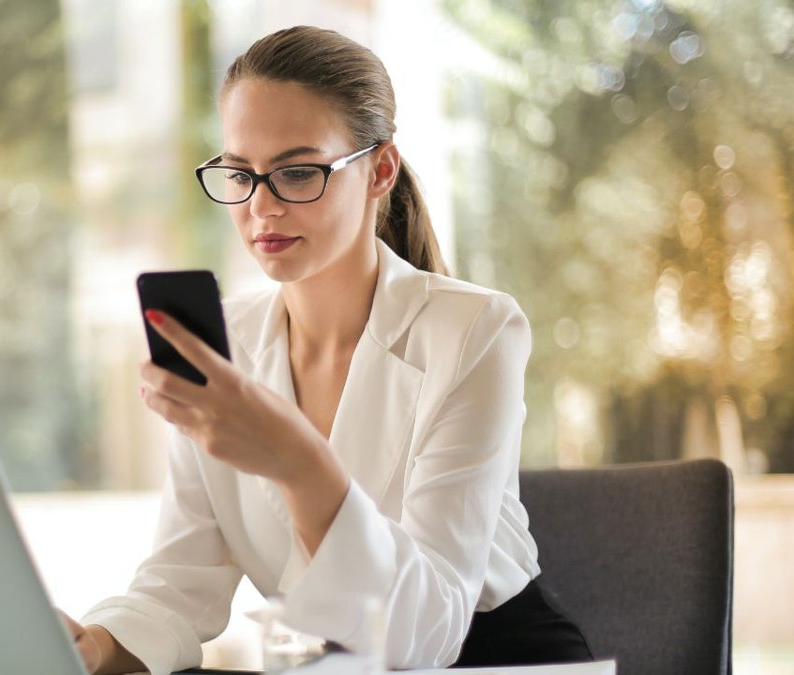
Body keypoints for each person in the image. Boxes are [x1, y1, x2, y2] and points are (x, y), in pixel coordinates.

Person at [62, 25, 593, 675]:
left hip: (489, 659)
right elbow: (180, 582)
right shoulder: (222, 349)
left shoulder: (476, 330)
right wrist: (99, 645)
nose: (261, 206)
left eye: (296, 171)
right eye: (240, 173)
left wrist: (298, 463)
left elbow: (424, 637)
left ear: (381, 170)